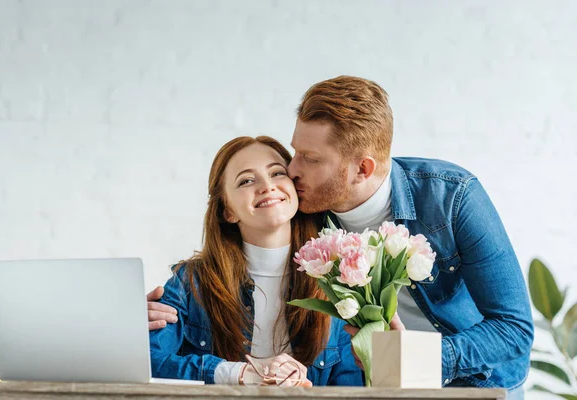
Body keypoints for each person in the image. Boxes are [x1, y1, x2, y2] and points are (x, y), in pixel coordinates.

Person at [148, 76, 533, 397]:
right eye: (295, 152)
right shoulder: (307, 219)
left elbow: (514, 328)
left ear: (361, 169)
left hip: (473, 378)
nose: (291, 170)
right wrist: (134, 317)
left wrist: (414, 359)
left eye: (309, 160)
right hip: (377, 379)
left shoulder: (452, 198)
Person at [148, 135, 362, 386]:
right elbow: (148, 362)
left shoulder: (337, 283)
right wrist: (238, 374)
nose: (267, 186)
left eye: (277, 173)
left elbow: (351, 389)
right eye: (247, 180)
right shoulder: (190, 282)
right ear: (227, 210)